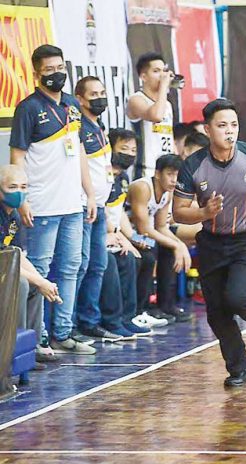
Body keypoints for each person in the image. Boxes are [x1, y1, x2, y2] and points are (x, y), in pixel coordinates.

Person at [173, 98, 246, 388]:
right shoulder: (193, 166)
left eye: (234, 125)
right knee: (217, 313)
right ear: (208, 130)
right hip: (211, 242)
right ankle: (241, 367)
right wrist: (203, 212)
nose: (230, 131)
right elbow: (178, 212)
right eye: (222, 126)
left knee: (238, 298)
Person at [10, 44, 96, 355]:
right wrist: (22, 199)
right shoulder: (28, 108)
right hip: (42, 206)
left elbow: (81, 152)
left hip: (72, 203)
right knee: (41, 270)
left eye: (60, 68)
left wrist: (89, 193)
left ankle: (63, 332)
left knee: (72, 267)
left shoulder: (73, 105)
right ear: (36, 74)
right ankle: (40, 337)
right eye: (49, 70)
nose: (56, 74)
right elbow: (16, 156)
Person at [73, 76, 122, 342]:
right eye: (93, 94)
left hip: (100, 206)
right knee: (79, 266)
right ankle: (70, 325)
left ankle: (90, 321)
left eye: (102, 92)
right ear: (79, 99)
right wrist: (90, 196)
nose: (100, 98)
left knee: (97, 265)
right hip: (83, 205)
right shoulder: (78, 126)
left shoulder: (99, 124)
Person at [0, 165, 61, 366]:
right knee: (22, 284)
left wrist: (42, 282)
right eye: (12, 187)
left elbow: (16, 254)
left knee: (34, 285)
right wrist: (36, 280)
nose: (19, 192)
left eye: (23, 186)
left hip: (4, 265)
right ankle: (12, 351)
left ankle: (30, 349)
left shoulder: (14, 216)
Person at [100, 128, 155, 336]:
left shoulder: (123, 177)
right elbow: (100, 210)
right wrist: (117, 236)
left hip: (116, 235)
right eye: (124, 149)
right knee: (113, 263)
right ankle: (111, 321)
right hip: (99, 236)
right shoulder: (101, 175)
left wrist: (130, 239)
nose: (129, 154)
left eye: (133, 150)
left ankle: (129, 316)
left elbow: (119, 211)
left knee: (139, 256)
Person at [128, 154, 192, 323]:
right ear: (158, 174)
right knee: (151, 251)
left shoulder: (167, 193)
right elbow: (143, 229)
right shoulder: (142, 187)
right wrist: (177, 245)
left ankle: (166, 305)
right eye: (170, 174)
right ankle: (142, 309)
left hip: (145, 235)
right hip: (128, 235)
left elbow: (161, 226)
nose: (174, 180)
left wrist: (179, 245)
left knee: (168, 249)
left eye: (177, 175)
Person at [126, 52, 176, 179]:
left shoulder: (167, 105)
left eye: (164, 70)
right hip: (144, 169)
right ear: (143, 76)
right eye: (156, 71)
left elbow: (169, 136)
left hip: (167, 169)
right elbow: (156, 116)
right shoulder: (136, 99)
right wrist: (164, 86)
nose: (162, 75)